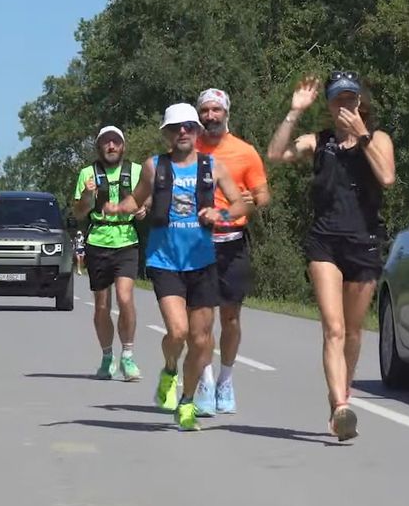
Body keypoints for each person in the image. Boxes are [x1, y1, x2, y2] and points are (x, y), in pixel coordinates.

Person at [266, 72, 395, 441]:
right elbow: (275, 154)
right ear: (329, 105)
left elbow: (387, 178)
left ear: (361, 102)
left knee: (353, 332)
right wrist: (294, 112)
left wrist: (362, 135)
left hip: (364, 242)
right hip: (325, 243)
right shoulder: (319, 142)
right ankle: (340, 406)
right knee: (334, 328)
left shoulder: (379, 139)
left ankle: (342, 394)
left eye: (351, 99)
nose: (345, 106)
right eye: (338, 100)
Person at [106, 103, 251, 430]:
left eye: (188, 126)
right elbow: (137, 199)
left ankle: (186, 402)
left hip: (203, 262)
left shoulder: (212, 167)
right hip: (165, 261)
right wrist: (118, 208)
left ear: (197, 131)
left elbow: (240, 204)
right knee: (178, 332)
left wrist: (220, 214)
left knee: (201, 341)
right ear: (167, 134)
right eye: (175, 128)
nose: (182, 132)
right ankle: (170, 369)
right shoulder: (154, 166)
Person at [191, 87, 270, 416]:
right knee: (202, 319)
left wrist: (253, 199)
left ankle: (226, 379)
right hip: (197, 242)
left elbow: (263, 195)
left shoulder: (245, 152)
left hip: (233, 242)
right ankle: (206, 381)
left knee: (231, 317)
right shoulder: (189, 149)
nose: (210, 116)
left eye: (216, 110)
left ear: (226, 113)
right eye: (205, 110)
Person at [70, 125, 146, 382]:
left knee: (125, 298)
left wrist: (143, 209)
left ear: (123, 146)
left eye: (115, 142)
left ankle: (128, 355)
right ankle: (106, 356)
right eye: (106, 142)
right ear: (99, 146)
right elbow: (79, 212)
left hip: (127, 240)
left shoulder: (136, 171)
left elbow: (147, 199)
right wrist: (87, 195)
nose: (111, 146)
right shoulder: (87, 174)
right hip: (98, 241)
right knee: (102, 305)